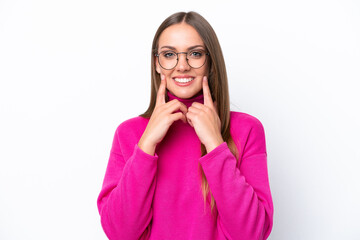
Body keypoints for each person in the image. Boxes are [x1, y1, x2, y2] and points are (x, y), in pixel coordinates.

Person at [97, 11, 273, 240]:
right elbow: (120, 233)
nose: (182, 66)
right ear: (157, 64)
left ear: (210, 62)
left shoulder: (247, 129)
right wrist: (147, 144)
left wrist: (215, 144)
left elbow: (250, 234)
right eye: (169, 54)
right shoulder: (128, 133)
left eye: (195, 54)